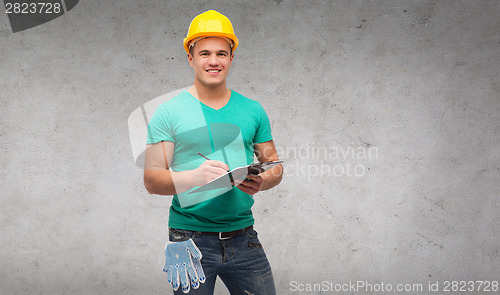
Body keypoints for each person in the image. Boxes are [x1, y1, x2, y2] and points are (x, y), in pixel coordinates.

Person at [143, 10, 283, 295]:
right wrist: (195, 176)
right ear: (190, 58)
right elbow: (152, 180)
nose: (213, 61)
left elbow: (275, 166)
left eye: (221, 53)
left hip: (244, 238)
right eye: (204, 53)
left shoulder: (253, 110)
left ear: (232, 58)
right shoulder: (169, 113)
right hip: (189, 239)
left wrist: (263, 181)